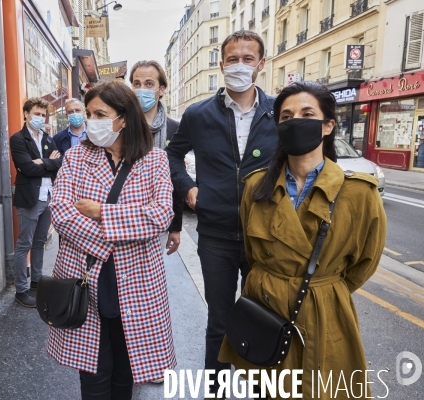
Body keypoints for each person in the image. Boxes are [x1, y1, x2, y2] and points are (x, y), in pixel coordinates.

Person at [219, 81, 386, 398]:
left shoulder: (360, 194)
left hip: (324, 312)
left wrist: (323, 289)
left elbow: (365, 262)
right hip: (267, 313)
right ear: (279, 127)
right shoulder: (256, 187)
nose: (295, 121)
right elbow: (253, 255)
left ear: (327, 125)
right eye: (286, 116)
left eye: (307, 113)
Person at [47, 80, 176, 399]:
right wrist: (124, 231)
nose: (90, 120)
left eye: (99, 114)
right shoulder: (76, 159)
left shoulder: (155, 160)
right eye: (88, 113)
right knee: (93, 375)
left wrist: (101, 212)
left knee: (125, 373)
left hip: (137, 284)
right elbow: (61, 212)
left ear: (124, 118)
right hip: (87, 279)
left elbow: (160, 215)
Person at [165, 30, 278, 391]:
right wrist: (188, 188)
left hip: (266, 235)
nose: (240, 65)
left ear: (261, 65)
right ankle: (216, 391)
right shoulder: (198, 114)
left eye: (248, 59)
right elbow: (172, 154)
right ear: (221, 63)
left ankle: (261, 390)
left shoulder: (279, 111)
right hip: (215, 235)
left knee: (264, 318)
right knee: (219, 321)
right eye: (233, 58)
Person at [10, 98, 62, 307]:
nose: (40, 118)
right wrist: (48, 163)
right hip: (30, 198)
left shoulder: (47, 138)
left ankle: (36, 281)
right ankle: (21, 290)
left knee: (40, 242)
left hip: (48, 195)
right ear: (26, 114)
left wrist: (43, 162)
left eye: (43, 114)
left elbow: (61, 162)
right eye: (37, 114)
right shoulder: (18, 139)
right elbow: (27, 168)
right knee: (24, 244)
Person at [130, 60, 183, 256]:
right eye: (136, 84)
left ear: (161, 89)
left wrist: (175, 227)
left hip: (158, 218)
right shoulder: (122, 125)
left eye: (149, 84)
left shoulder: (174, 129)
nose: (141, 89)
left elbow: (176, 179)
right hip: (125, 216)